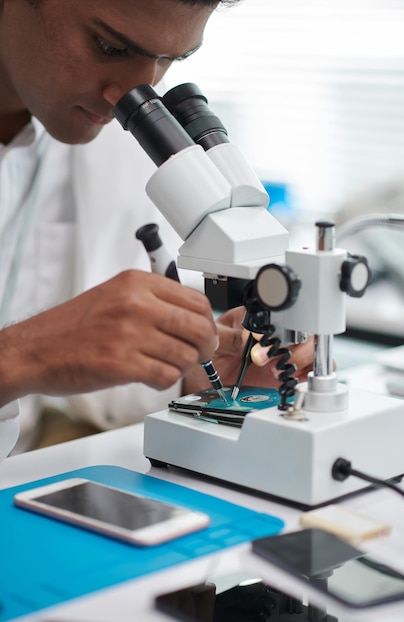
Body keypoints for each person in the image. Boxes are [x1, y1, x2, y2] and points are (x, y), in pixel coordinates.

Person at [0, 0, 313, 455]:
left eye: (171, 59)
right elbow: (41, 357)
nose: (133, 92)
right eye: (109, 46)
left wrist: (199, 375)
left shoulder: (104, 136)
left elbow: (90, 382)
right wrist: (20, 356)